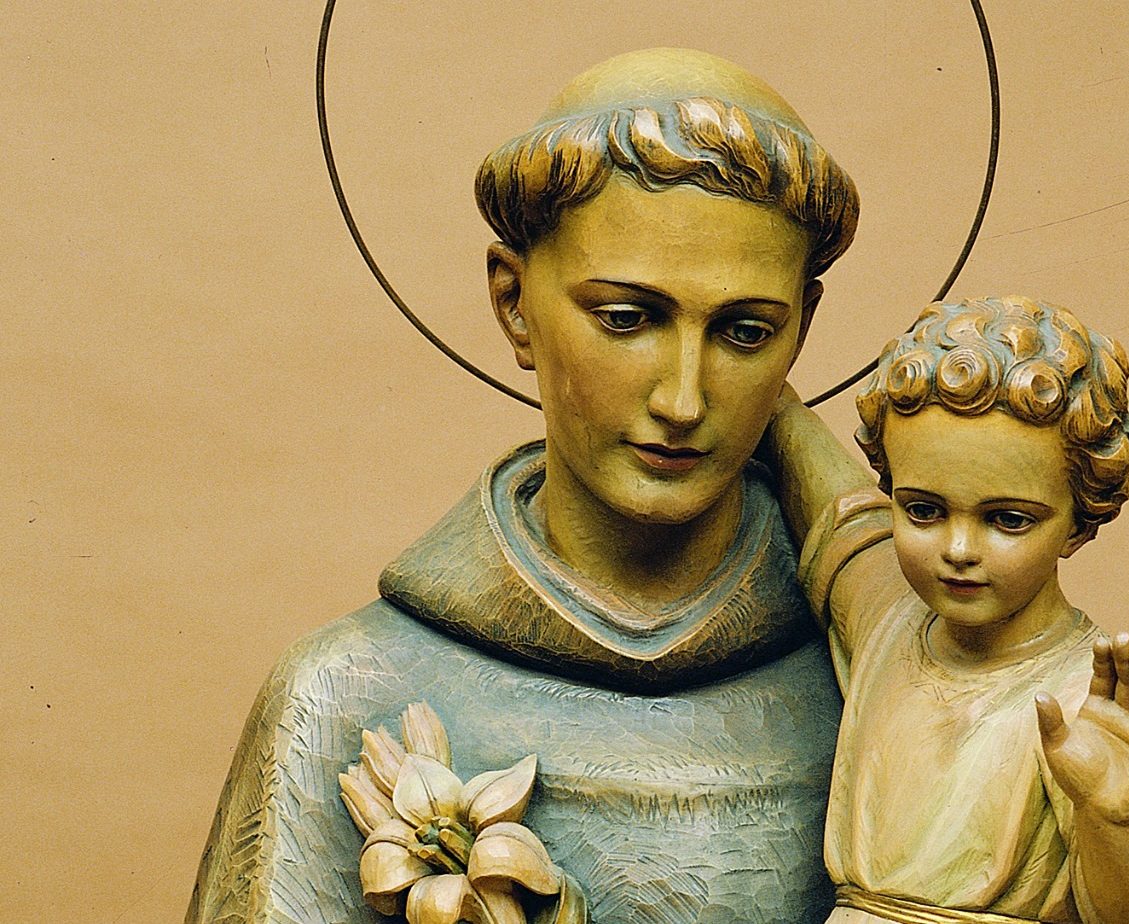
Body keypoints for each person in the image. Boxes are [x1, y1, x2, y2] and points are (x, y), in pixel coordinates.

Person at [187, 48, 859, 923]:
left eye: (744, 332)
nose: (684, 400)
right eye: (627, 318)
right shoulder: (347, 691)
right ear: (514, 302)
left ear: (802, 326)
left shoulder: (885, 674)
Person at [765, 297, 1129, 923]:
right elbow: (841, 514)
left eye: (1007, 520)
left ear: (1078, 522)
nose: (957, 550)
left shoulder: (1087, 701)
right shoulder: (887, 619)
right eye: (923, 510)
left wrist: (1121, 820)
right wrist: (767, 396)